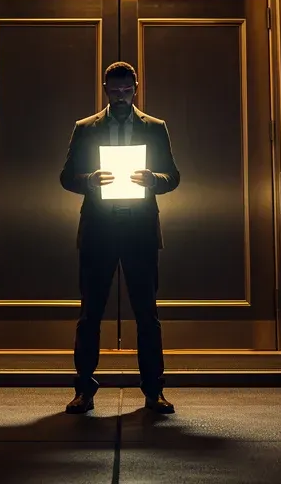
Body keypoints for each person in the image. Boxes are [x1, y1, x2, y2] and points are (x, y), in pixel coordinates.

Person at [59, 61, 181, 415]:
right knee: (90, 313)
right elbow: (66, 176)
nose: (121, 97)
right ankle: (83, 389)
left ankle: (154, 391)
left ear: (136, 88)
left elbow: (173, 176)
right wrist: (89, 180)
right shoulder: (85, 128)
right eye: (115, 92)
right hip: (99, 229)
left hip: (139, 230)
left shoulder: (156, 128)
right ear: (105, 89)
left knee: (147, 313)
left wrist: (154, 179)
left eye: (127, 91)